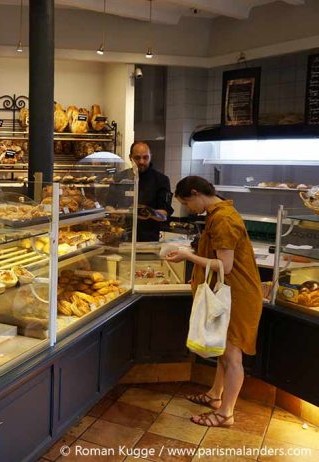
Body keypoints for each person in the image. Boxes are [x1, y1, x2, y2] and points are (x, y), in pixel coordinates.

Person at [165, 176, 262, 428]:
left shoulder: (223, 219)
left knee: (232, 357)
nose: (188, 209)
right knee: (222, 350)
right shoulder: (218, 213)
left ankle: (226, 414)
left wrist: (188, 256)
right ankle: (215, 396)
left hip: (236, 296)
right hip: (229, 294)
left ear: (196, 193)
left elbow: (225, 266)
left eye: (187, 203)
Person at [109, 142, 173, 241]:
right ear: (130, 157)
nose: (142, 161)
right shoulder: (119, 178)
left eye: (145, 157)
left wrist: (149, 212)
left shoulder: (161, 180)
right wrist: (117, 214)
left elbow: (164, 215)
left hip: (148, 239)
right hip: (120, 237)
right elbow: (109, 205)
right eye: (137, 158)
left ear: (151, 156)